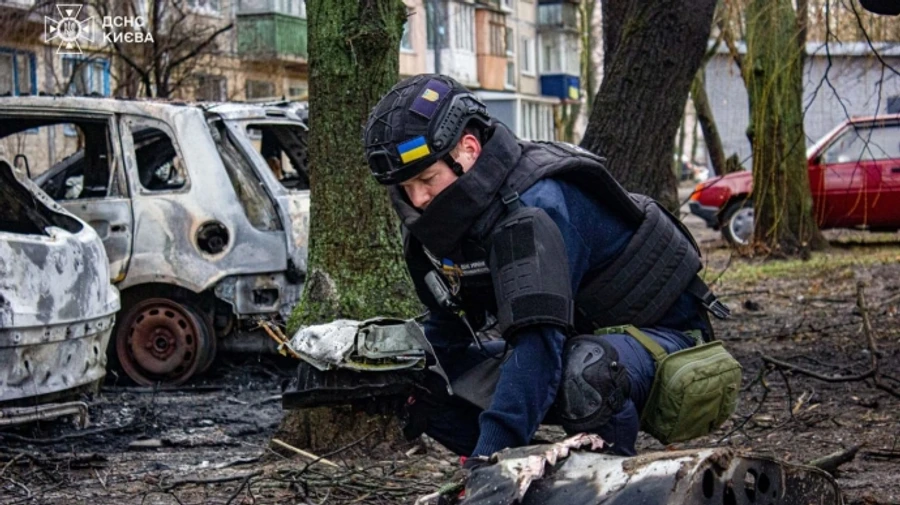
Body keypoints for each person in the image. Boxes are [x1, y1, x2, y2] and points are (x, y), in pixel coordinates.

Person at [363, 74, 730, 461]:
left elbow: (538, 349)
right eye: (405, 187)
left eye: (426, 179)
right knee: (419, 379)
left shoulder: (536, 204)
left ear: (468, 150)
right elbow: (449, 325)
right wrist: (394, 367)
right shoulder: (455, 211)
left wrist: (487, 467)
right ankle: (535, 477)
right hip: (578, 339)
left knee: (584, 373)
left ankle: (604, 484)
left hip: (667, 342)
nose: (417, 199)